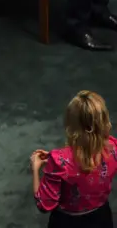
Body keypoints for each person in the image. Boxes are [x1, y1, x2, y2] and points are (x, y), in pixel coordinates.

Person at [31, 90, 117, 228]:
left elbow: (43, 204)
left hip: (67, 222)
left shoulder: (59, 162)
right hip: (101, 217)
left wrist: (35, 169)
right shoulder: (114, 148)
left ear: (71, 125)